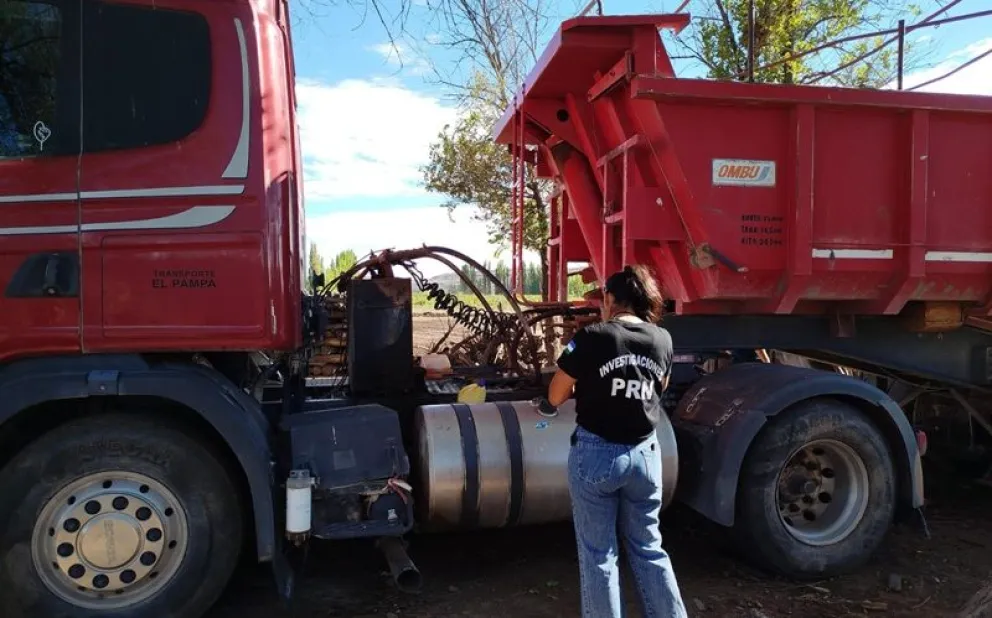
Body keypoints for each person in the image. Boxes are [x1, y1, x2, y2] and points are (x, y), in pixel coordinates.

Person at [547, 264, 688, 618]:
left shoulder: (594, 336)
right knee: (649, 548)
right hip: (645, 456)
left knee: (599, 557)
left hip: (597, 455)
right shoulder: (663, 339)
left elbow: (556, 395)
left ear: (610, 299)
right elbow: (660, 387)